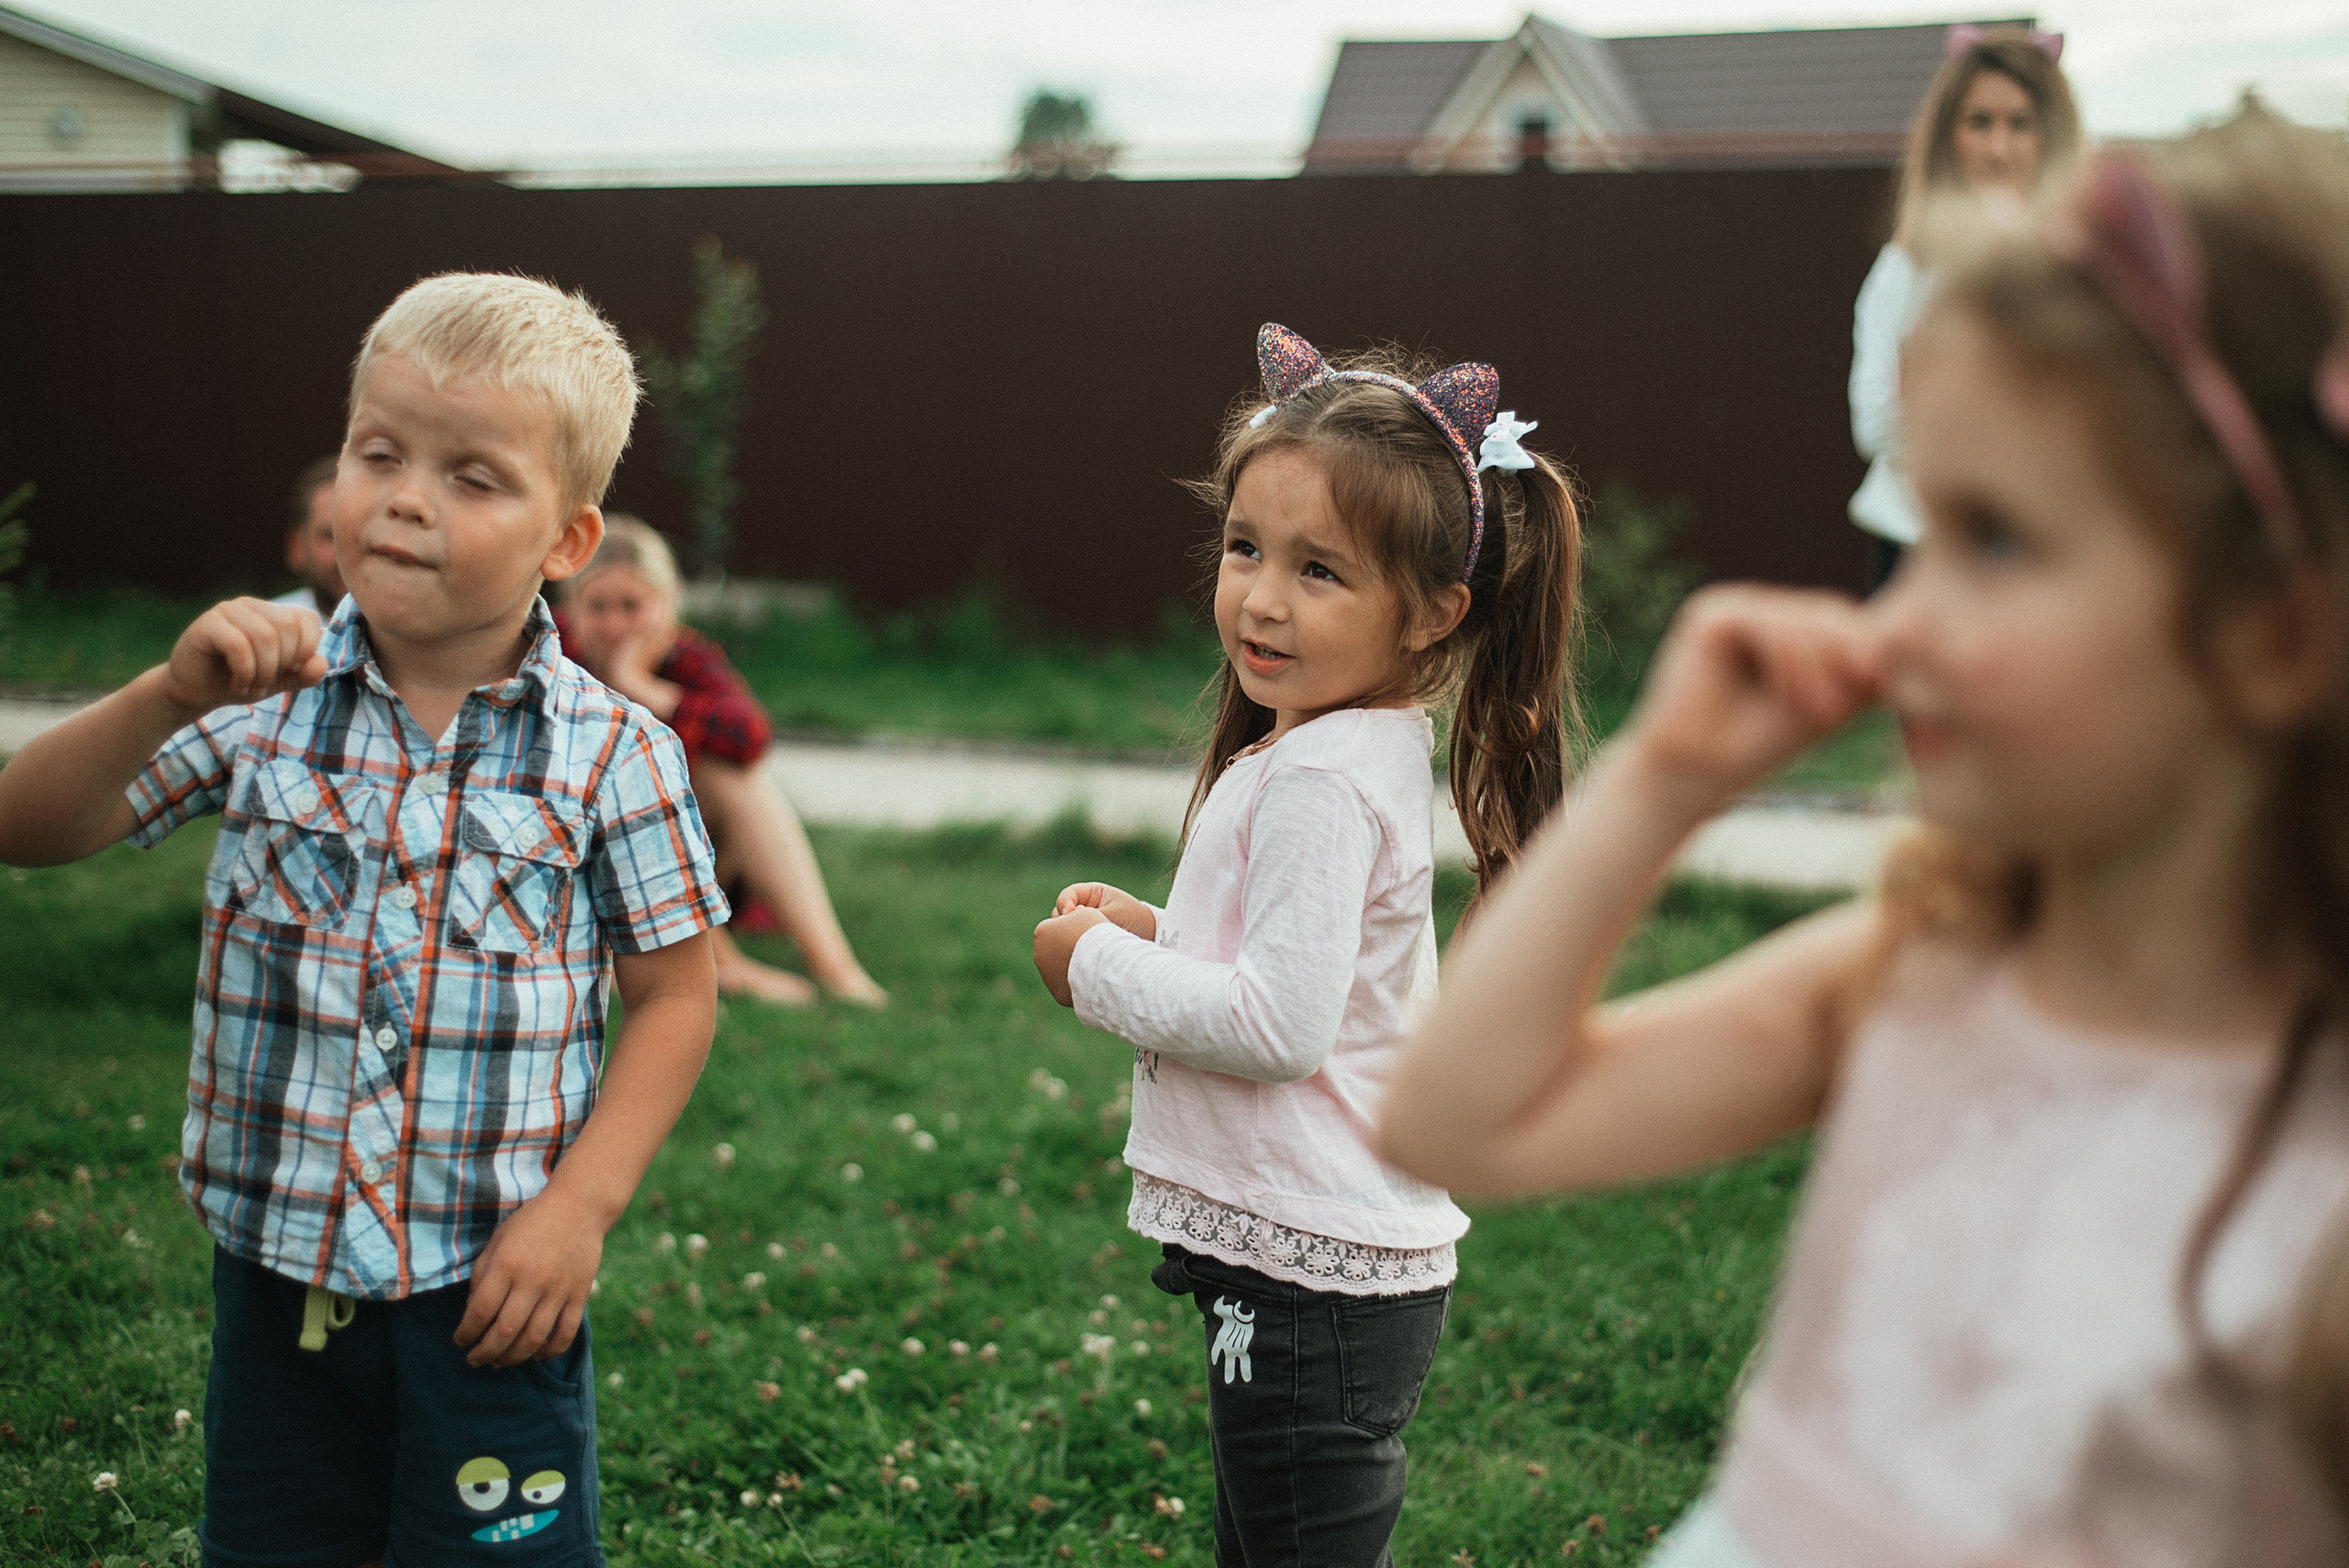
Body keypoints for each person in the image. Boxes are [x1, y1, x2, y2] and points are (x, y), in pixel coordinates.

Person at [1380, 115, 2349, 1566]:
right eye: (1922, 530)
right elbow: (1453, 1122)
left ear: (2275, 630)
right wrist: (1660, 782)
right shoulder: (1922, 964)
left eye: (1997, 539)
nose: (1899, 623)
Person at [0, 272, 729, 1566]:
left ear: (567, 541)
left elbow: (677, 995)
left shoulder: (616, 754)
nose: (404, 496)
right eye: (378, 452)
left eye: (472, 476)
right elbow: (26, 826)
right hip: (275, 1273)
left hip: (492, 1290)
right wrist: (163, 697)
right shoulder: (255, 686)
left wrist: (580, 1212)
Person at [1031, 323, 1581, 1566]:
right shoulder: (1340, 746)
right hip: (1317, 1268)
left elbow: (1280, 1028)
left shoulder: (1325, 776)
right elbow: (1285, 962)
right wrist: (1155, 929)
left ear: (1436, 613)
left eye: (1320, 571)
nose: (1263, 598)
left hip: (1317, 1284)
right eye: (1244, 549)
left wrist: (1095, 974)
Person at [555, 517, 887, 1007]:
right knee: (627, 795)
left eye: (632, 606)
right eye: (597, 606)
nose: (613, 625)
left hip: (704, 859)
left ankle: (834, 966)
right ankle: (721, 967)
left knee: (740, 779)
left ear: (666, 607)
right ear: (572, 607)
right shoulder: (554, 651)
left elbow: (750, 737)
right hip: (585, 858)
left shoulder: (685, 654)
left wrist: (643, 686)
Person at [1848, 24, 2080, 589]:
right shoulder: (1905, 269)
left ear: (2050, 137)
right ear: (1948, 135)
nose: (1998, 146)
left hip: (2044, 553)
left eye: (2020, 123)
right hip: (1917, 549)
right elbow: (1874, 422)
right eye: (1979, 122)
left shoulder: (2076, 269)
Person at [273, 453, 345, 615]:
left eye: (364, 536)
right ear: (297, 546)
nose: (349, 552)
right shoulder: (263, 632)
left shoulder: (413, 636)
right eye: (330, 536)